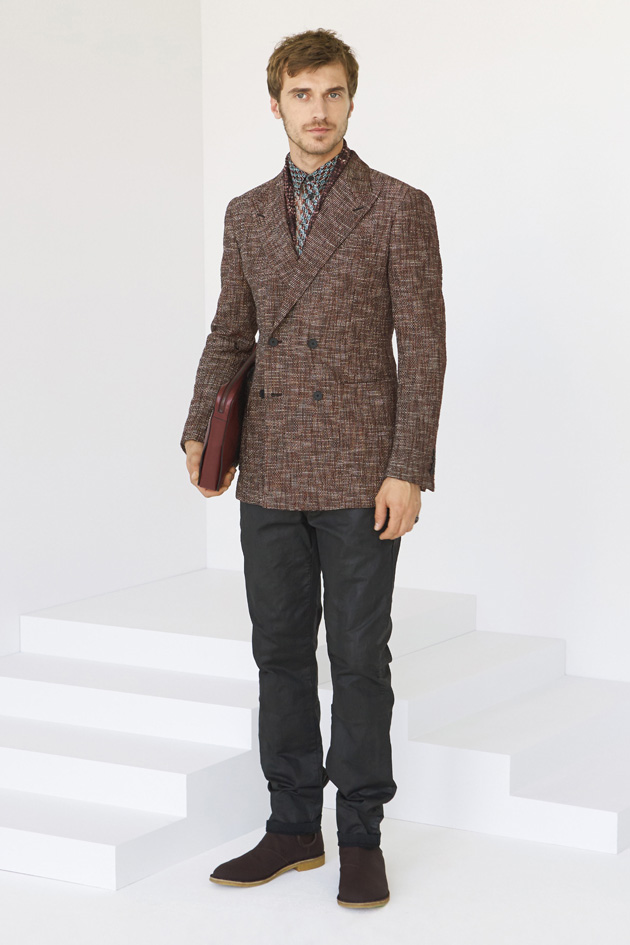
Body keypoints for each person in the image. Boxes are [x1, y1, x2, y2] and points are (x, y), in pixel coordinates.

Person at [181, 27, 446, 909]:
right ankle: (293, 825)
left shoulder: (398, 206)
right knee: (280, 652)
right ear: (277, 104)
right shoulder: (246, 213)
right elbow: (231, 327)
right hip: (270, 468)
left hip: (363, 469)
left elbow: (425, 347)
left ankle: (361, 833)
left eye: (332, 93)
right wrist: (199, 429)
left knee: (360, 656)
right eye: (302, 94)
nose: (318, 110)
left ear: (351, 100)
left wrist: (408, 466)